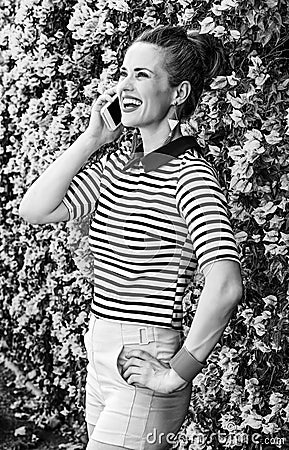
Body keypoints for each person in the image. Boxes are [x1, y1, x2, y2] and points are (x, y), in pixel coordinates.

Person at [19, 25, 243, 450]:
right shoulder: (121, 166)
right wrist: (92, 139)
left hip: (145, 356)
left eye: (143, 74)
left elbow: (226, 285)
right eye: (124, 72)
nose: (125, 84)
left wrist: (176, 372)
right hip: (101, 350)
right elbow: (35, 209)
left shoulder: (190, 176)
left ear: (178, 93)